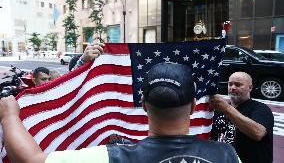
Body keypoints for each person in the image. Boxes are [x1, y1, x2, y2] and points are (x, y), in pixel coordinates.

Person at [0, 63, 240, 163]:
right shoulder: (227, 155)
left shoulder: (113, 157)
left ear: (143, 103)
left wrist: (9, 116)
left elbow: (29, 160)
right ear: (193, 106)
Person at [209, 72, 274, 163]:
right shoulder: (219, 110)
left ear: (250, 88)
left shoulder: (261, 109)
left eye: (238, 85)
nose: (233, 87)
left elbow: (258, 133)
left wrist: (227, 108)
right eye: (230, 84)